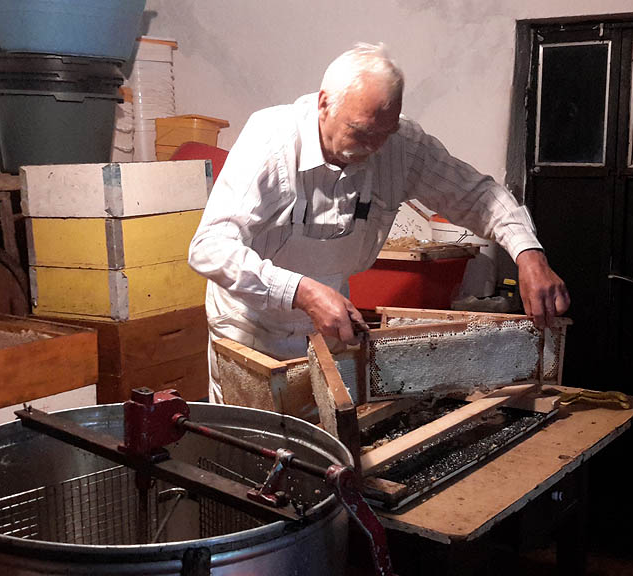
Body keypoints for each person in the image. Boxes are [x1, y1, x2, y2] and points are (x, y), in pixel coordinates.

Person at [189, 42, 570, 402]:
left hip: (328, 323)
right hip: (251, 327)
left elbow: (477, 195)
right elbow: (210, 248)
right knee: (252, 438)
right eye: (360, 131)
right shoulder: (270, 140)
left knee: (324, 429)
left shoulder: (402, 145)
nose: (372, 147)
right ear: (324, 104)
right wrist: (302, 292)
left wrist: (528, 253)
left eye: (383, 134)